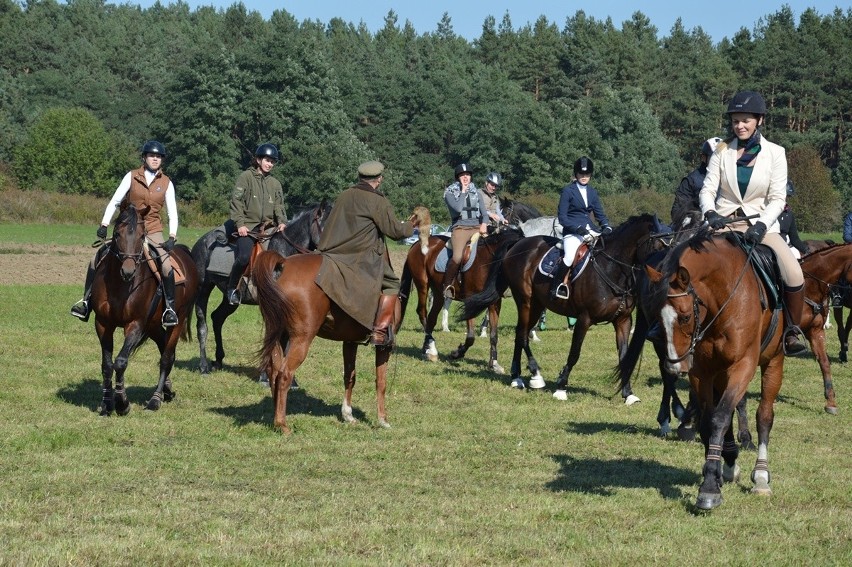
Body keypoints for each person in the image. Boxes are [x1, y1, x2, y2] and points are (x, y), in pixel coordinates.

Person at [700, 90, 807, 355]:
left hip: (760, 226)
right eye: (736, 120)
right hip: (722, 223)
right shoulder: (722, 151)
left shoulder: (775, 153)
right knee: (684, 258)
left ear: (759, 120)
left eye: (745, 120)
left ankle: (791, 332)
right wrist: (710, 213)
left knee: (794, 272)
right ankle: (668, 324)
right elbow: (707, 189)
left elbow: (777, 197)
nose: (740, 125)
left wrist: (761, 225)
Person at [70, 140, 180, 327]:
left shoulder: (166, 183)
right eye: (152, 156)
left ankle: (169, 309)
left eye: (159, 156)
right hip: (128, 229)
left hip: (152, 229)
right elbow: (115, 200)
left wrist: (172, 237)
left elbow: (172, 212)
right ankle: (86, 302)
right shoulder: (131, 176)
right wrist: (104, 224)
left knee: (167, 266)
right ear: (144, 157)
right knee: (95, 259)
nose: (155, 159)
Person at [314, 160, 418, 347]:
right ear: (379, 180)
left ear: (360, 177)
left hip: (333, 254)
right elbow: (395, 231)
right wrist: (411, 226)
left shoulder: (344, 195)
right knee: (392, 283)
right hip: (361, 258)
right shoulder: (378, 201)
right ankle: (379, 332)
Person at [226, 143, 288, 306]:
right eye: (267, 160)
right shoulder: (245, 177)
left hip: (268, 227)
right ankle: (232, 289)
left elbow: (279, 205)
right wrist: (240, 224)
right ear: (259, 160)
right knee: (244, 256)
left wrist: (282, 221)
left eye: (272, 162)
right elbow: (236, 201)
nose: (270, 164)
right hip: (248, 226)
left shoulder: (275, 183)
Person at [551, 156, 612, 300]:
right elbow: (562, 217)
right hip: (573, 231)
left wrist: (606, 225)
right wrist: (576, 228)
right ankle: (556, 286)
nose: (584, 177)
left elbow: (599, 213)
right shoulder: (568, 191)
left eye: (587, 174)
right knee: (569, 257)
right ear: (576, 174)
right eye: (581, 174)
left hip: (590, 229)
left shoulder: (592, 192)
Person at [442, 163, 488, 299]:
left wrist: (484, 224)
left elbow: (484, 214)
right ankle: (447, 285)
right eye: (462, 175)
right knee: (457, 257)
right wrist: (463, 191)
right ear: (458, 178)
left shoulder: (477, 193)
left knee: (492, 250)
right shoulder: (449, 193)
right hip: (460, 228)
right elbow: (457, 209)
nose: (466, 177)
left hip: (476, 228)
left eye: (467, 175)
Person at [671, 137, 722, 228]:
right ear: (703, 158)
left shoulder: (731, 179)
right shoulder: (691, 180)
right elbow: (677, 211)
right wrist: (697, 217)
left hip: (725, 223)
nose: (719, 161)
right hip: (696, 228)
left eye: (722, 158)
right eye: (714, 157)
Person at [778, 181, 808, 259]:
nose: (785, 199)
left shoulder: (789, 213)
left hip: (785, 247)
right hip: (770, 246)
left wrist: (806, 250)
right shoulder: (767, 210)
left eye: (787, 196)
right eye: (784, 195)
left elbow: (794, 239)